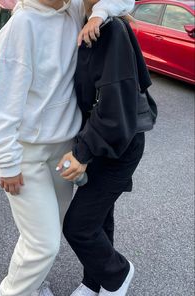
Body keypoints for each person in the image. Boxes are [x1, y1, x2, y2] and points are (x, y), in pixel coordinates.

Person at [0, 0, 135, 295]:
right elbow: (2, 107)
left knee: (37, 236)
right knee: (44, 244)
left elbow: (125, 1)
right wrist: (6, 162)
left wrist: (99, 14)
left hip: (63, 152)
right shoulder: (22, 26)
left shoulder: (74, 9)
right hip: (28, 156)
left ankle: (35, 285)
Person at [57, 1, 157, 296]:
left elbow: (115, 104)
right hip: (103, 136)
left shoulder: (110, 29)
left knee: (79, 226)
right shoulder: (88, 22)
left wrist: (82, 152)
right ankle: (94, 282)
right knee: (100, 216)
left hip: (119, 144)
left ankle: (118, 274)